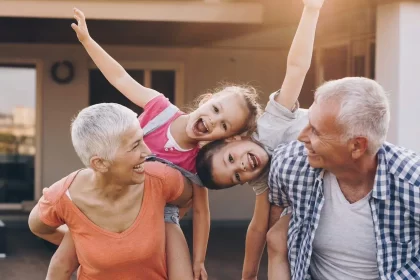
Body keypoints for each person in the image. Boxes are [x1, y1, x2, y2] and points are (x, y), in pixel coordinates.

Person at [45, 7, 262, 280]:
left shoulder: (197, 162)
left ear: (224, 138)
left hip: (161, 219)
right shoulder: (160, 110)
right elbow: (120, 77)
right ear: (207, 98)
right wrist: (88, 41)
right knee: (64, 259)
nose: (213, 121)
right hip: (112, 200)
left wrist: (199, 261)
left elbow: (201, 211)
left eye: (224, 126)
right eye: (216, 110)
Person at [195, 0, 325, 278]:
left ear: (234, 138)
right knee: (276, 233)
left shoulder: (270, 124)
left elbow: (296, 68)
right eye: (236, 177)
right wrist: (249, 274)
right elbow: (258, 225)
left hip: (339, 136)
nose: (241, 168)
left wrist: (311, 9)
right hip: (328, 189)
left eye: (231, 160)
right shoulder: (262, 176)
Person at [267, 76, 420, 280]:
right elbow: (277, 220)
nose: (302, 137)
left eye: (315, 131)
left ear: (357, 146)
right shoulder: (289, 163)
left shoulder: (412, 183)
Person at [28, 103, 194, 280]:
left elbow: (188, 198)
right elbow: (40, 227)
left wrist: (166, 225)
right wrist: (80, 244)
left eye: (142, 139)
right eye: (135, 145)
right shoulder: (63, 197)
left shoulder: (162, 179)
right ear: (100, 163)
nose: (147, 151)